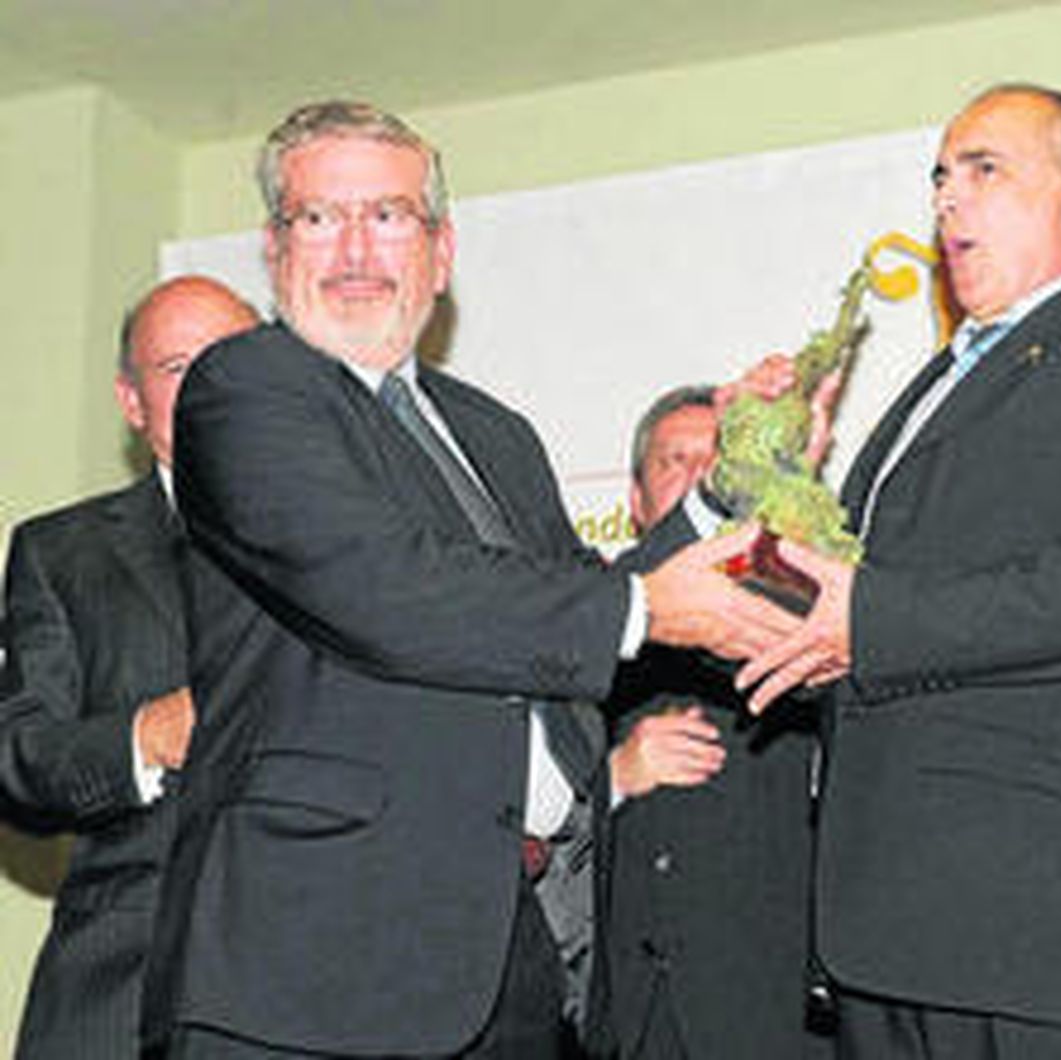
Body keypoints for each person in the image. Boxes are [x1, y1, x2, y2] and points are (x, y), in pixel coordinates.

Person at [139, 100, 798, 1059]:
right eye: (321, 217)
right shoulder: (244, 389)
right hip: (307, 969)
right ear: (274, 250)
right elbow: (382, 589)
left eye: (390, 216)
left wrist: (718, 492)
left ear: (441, 253)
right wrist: (649, 606)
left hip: (501, 965)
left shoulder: (496, 434)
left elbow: (570, 607)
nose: (356, 250)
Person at [737, 85, 1061, 1059]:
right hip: (880, 933)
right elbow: (845, 616)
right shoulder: (930, 386)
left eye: (984, 170)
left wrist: (880, 620)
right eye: (939, 176)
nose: (947, 199)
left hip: (1031, 930)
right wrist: (775, 484)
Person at [0, 276, 259, 1058]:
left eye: (232, 358)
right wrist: (143, 737)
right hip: (125, 995)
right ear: (131, 400)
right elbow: (18, 756)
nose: (212, 383)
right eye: (180, 366)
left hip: (333, 986)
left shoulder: (362, 545)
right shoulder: (63, 555)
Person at [601, 385, 827, 1060]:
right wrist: (612, 775)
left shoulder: (812, 609)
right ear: (637, 503)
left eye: (721, 459)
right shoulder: (580, 619)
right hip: (628, 1013)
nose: (705, 475)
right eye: (677, 461)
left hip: (769, 1013)